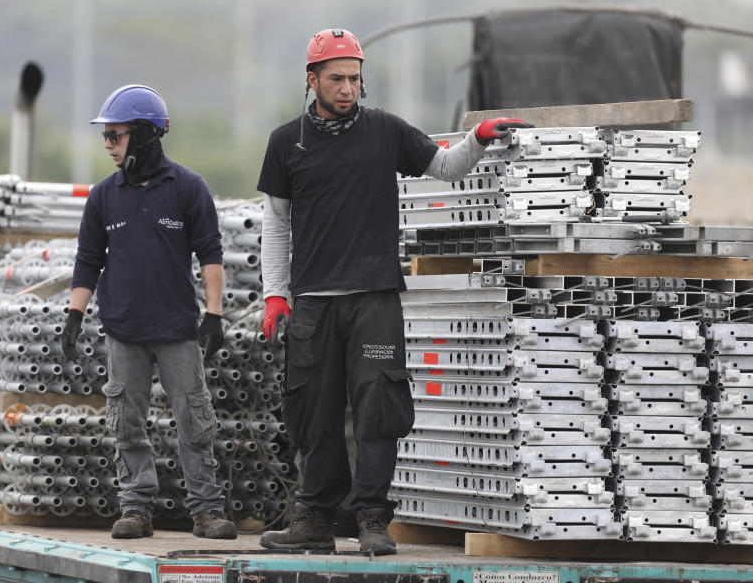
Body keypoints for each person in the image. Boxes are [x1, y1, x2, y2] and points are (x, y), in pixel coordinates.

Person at [256, 29, 531, 555]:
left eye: (355, 79)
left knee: (379, 410)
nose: (347, 88)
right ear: (311, 80)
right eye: (336, 78)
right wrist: (276, 294)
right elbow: (276, 223)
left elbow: (445, 167)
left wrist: (478, 136)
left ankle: (373, 523)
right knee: (313, 413)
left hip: (375, 298)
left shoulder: (385, 131)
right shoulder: (285, 142)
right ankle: (313, 521)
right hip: (314, 301)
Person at [61, 84, 235, 540]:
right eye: (106, 136)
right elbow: (87, 260)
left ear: (142, 135)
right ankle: (135, 508)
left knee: (195, 422)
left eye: (115, 135)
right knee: (126, 423)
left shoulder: (188, 188)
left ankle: (206, 510)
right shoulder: (103, 197)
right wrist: (74, 314)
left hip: (177, 329)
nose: (107, 145)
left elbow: (210, 254)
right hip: (124, 330)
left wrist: (213, 315)